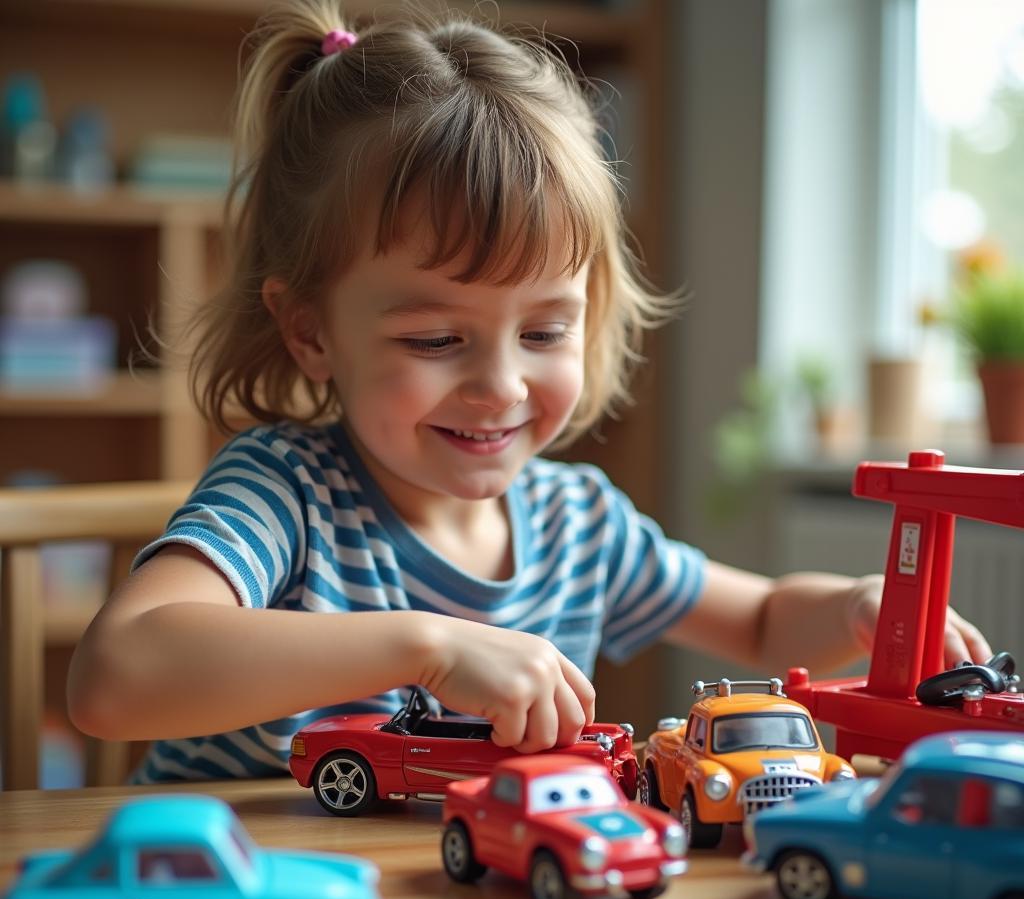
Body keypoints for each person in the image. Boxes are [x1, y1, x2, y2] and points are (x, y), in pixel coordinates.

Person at [67, 0, 991, 783]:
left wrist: (857, 609)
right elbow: (115, 676)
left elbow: (754, 620)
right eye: (436, 338)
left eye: (545, 332)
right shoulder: (285, 495)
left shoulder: (578, 522)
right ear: (310, 330)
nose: (501, 384)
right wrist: (424, 645)